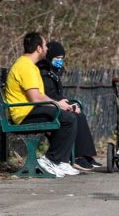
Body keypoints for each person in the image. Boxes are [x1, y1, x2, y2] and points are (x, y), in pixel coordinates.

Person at [4, 32, 79, 177]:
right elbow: (36, 98)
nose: (47, 49)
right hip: (23, 114)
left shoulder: (29, 65)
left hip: (28, 110)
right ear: (38, 48)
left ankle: (60, 161)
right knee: (68, 119)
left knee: (67, 116)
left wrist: (58, 104)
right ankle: (50, 160)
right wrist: (58, 105)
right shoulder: (25, 67)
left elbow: (40, 96)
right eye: (45, 45)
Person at [36, 41, 102, 170]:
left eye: (62, 58)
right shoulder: (44, 72)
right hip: (48, 106)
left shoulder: (54, 72)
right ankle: (77, 156)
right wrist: (66, 104)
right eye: (57, 58)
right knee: (74, 116)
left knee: (79, 114)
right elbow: (48, 94)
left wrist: (68, 103)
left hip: (54, 104)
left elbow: (56, 94)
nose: (60, 61)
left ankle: (85, 154)